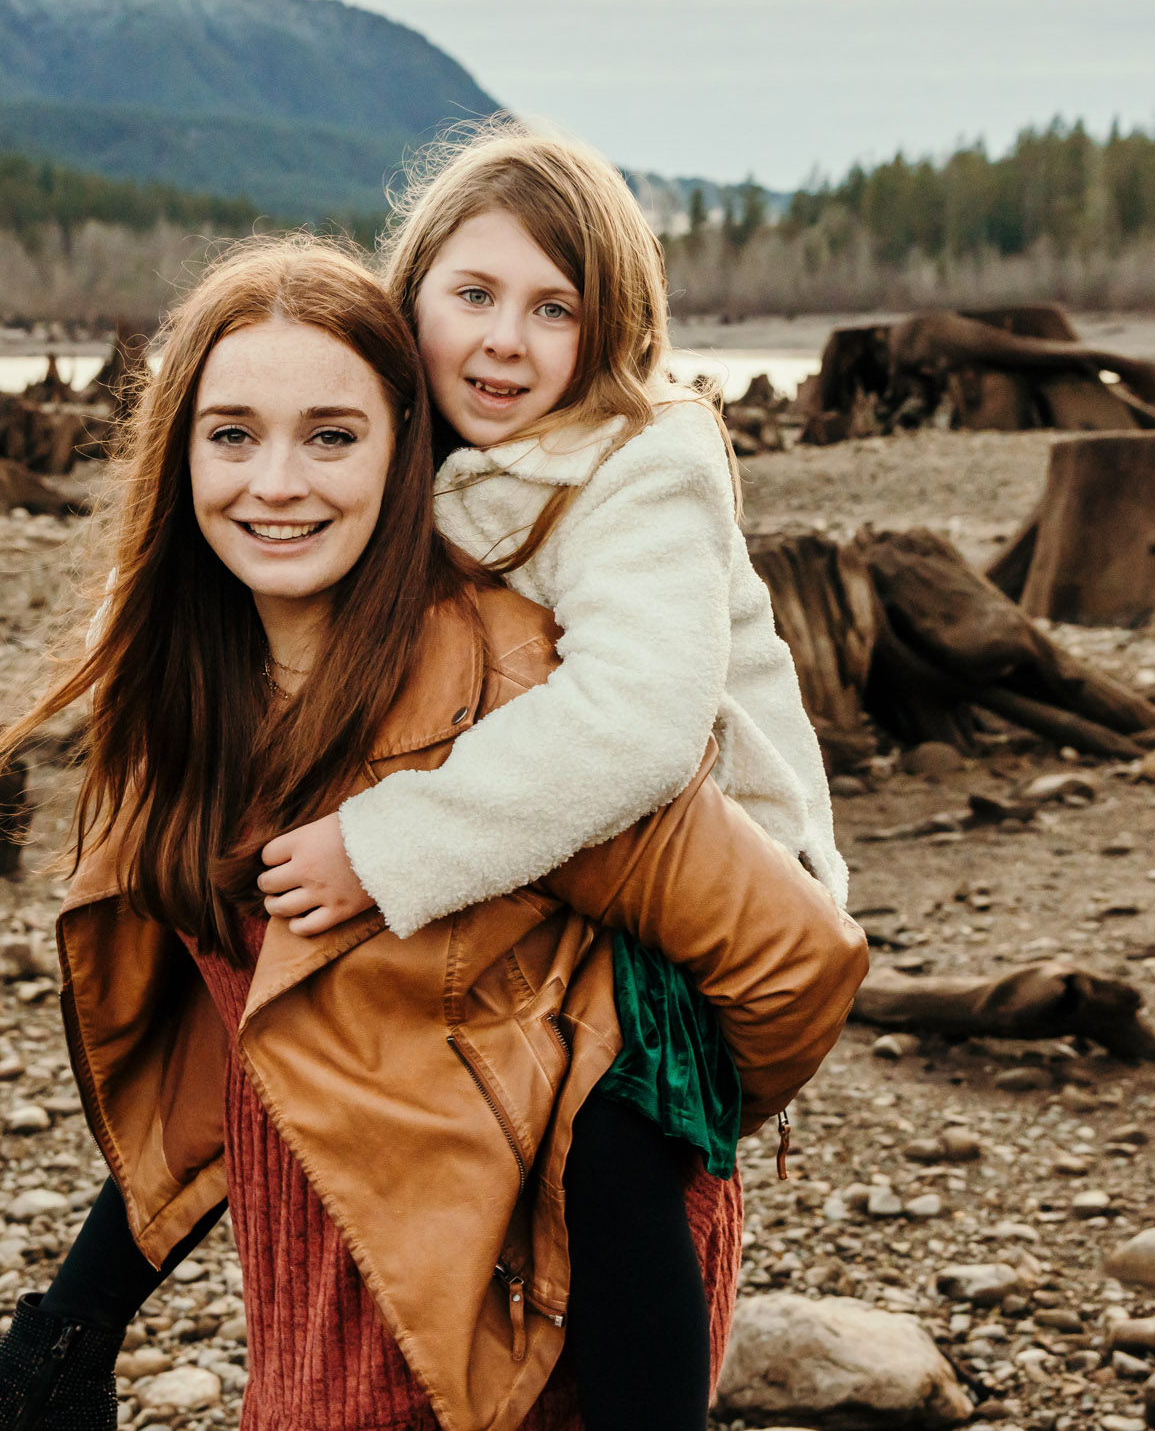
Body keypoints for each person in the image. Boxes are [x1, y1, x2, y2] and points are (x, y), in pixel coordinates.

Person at [0, 238, 866, 1431]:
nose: (275, 481)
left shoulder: (507, 693)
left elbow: (795, 959)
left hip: (523, 1316)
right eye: (231, 435)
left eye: (331, 436)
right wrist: (66, 1336)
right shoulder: (183, 689)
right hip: (312, 1278)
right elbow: (230, 1020)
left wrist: (631, 1129)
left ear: (404, 453)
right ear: (177, 455)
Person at [251, 118, 848, 1428]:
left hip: (706, 902)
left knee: (609, 1139)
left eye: (551, 307)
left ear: (608, 330)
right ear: (413, 295)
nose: (503, 341)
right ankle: (65, 1336)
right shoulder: (442, 460)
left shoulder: (640, 466)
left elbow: (634, 724)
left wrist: (383, 843)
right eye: (472, 294)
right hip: (572, 861)